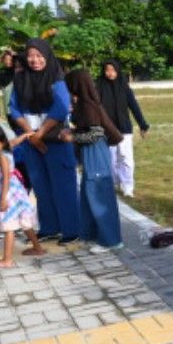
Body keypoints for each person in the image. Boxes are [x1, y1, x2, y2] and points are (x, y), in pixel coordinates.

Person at [10, 38, 81, 244]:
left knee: (63, 185)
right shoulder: (20, 79)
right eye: (30, 56)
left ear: (47, 57)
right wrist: (30, 134)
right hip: (30, 140)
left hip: (56, 138)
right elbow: (14, 108)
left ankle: (71, 229)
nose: (34, 60)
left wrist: (40, 132)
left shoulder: (57, 79)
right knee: (41, 185)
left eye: (39, 56)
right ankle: (49, 227)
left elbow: (60, 108)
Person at [62, 70, 124, 254]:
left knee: (99, 193)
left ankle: (111, 240)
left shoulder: (88, 106)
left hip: (96, 153)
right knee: (90, 193)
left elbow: (96, 133)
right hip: (93, 153)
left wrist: (72, 136)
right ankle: (93, 234)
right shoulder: (85, 104)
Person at [0, 124, 44, 268]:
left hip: (8, 194)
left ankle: (7, 260)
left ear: (0, 143)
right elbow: (15, 141)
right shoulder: (5, 148)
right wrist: (25, 135)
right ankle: (37, 248)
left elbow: (6, 178)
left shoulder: (2, 157)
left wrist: (2, 199)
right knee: (23, 222)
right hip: (17, 193)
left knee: (9, 226)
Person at [96, 59, 150, 198]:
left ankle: (128, 187)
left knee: (126, 158)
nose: (110, 73)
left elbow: (134, 106)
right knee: (111, 159)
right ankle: (113, 183)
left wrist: (143, 125)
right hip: (107, 129)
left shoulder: (124, 87)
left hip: (124, 128)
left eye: (113, 70)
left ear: (118, 71)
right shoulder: (99, 86)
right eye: (107, 70)